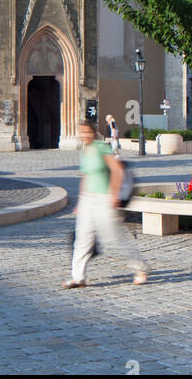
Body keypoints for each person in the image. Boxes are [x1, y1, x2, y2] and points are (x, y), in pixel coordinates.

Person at [62, 120, 148, 289]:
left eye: (87, 132)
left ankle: (140, 268)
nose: (84, 135)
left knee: (114, 239)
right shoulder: (84, 151)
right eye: (82, 132)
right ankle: (78, 277)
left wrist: (114, 195)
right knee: (82, 239)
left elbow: (117, 170)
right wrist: (80, 201)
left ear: (94, 132)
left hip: (104, 197)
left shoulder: (102, 147)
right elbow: (85, 176)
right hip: (88, 199)